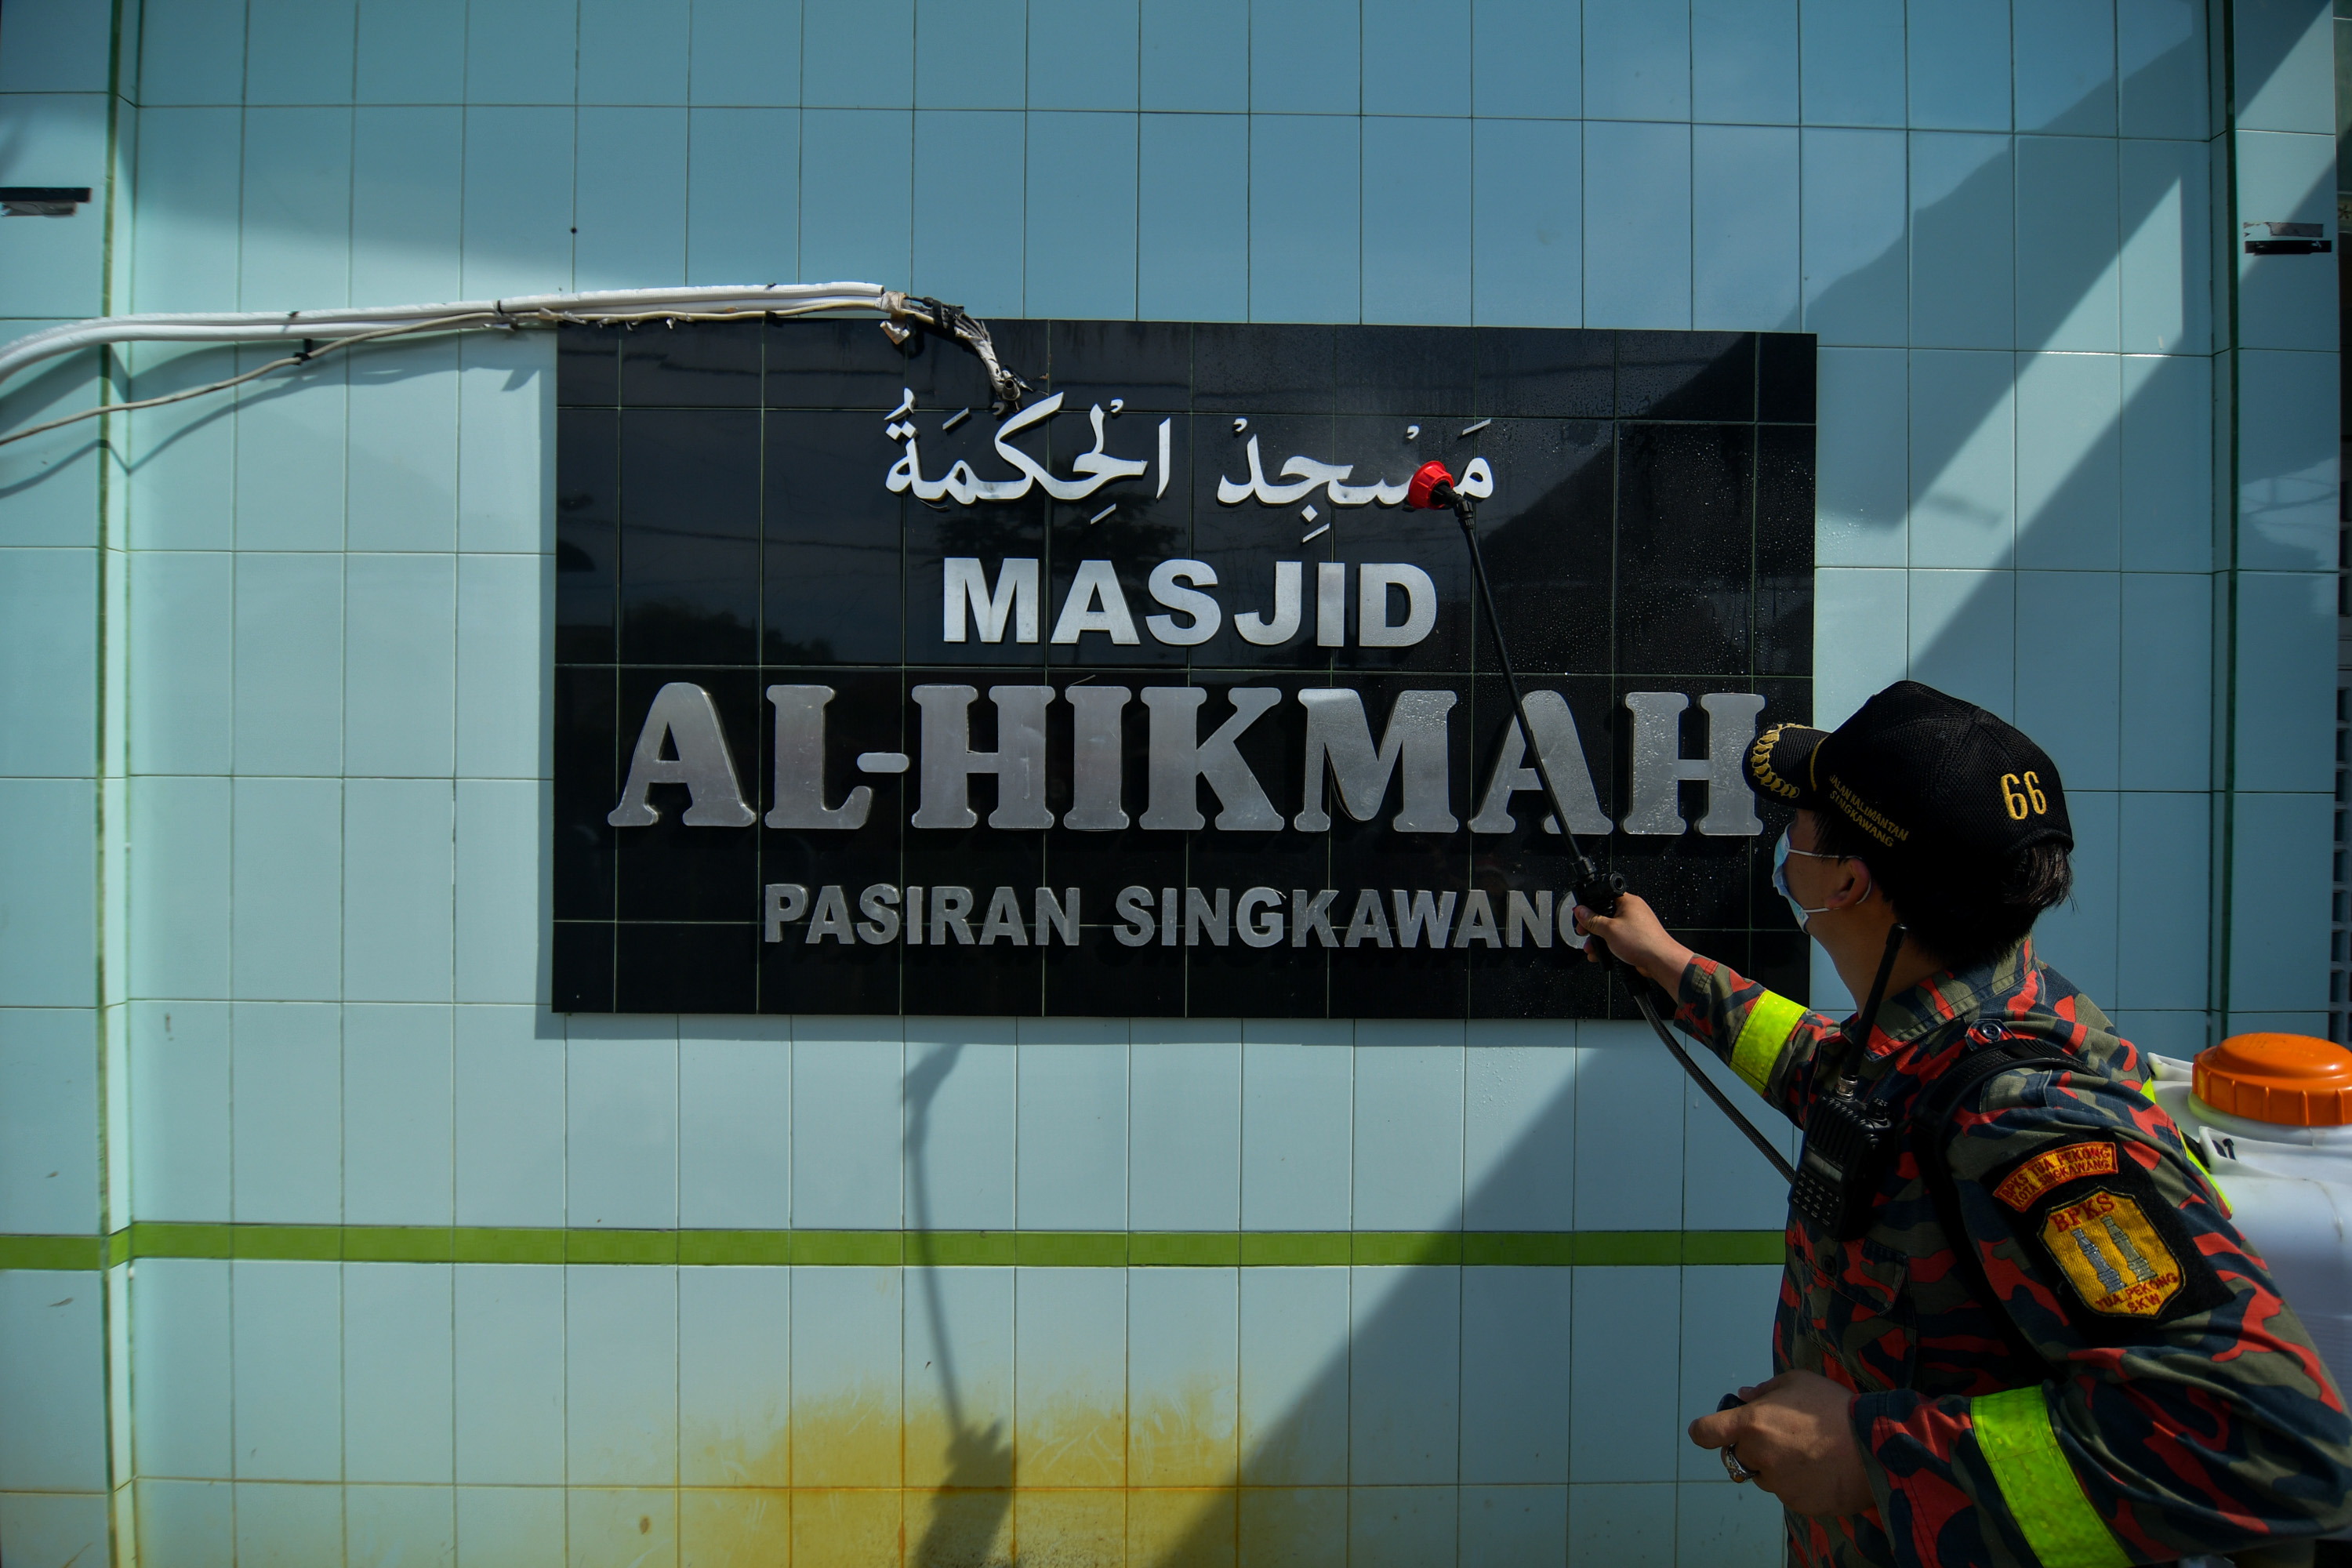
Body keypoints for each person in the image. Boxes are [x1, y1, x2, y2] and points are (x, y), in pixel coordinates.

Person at [1574, 681, 2352, 1568]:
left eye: (1799, 823)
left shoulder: (2032, 1121)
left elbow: (2269, 1449)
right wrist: (1668, 963)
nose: (1784, 844)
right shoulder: (1945, 1034)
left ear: (1848, 880)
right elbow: (1823, 1071)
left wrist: (1869, 1452)